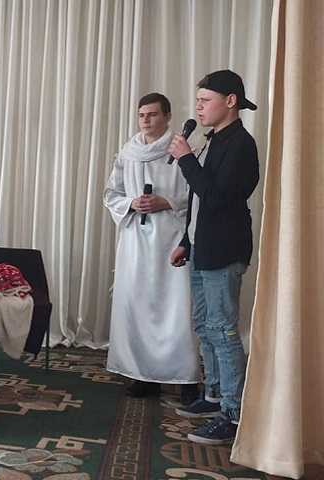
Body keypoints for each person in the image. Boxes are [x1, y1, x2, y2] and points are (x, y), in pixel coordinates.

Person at [168, 69, 259, 445]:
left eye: (206, 100)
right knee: (205, 326)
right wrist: (186, 241)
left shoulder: (241, 145)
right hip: (202, 247)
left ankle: (233, 415)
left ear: (230, 101)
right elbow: (199, 201)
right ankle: (215, 395)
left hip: (224, 250)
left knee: (223, 330)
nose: (199, 107)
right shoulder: (214, 140)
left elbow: (219, 197)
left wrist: (186, 159)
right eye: (198, 101)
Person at [104, 93, 200, 404]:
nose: (146, 120)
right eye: (142, 115)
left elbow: (196, 193)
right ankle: (142, 374)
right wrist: (131, 203)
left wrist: (166, 202)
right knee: (138, 304)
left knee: (175, 307)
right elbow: (111, 193)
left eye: (153, 114)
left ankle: (185, 377)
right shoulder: (128, 152)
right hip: (136, 239)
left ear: (167, 117)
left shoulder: (181, 149)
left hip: (171, 238)